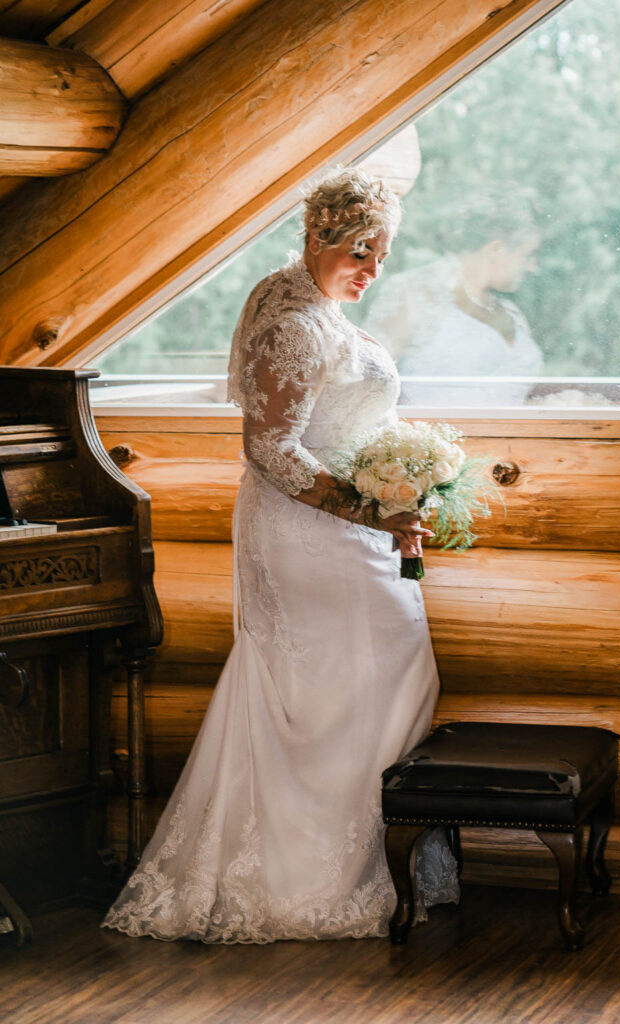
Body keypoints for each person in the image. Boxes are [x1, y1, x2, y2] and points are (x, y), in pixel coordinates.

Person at [102, 168, 458, 944]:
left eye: (383, 254)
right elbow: (269, 448)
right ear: (318, 239)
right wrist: (372, 506)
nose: (372, 269)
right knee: (327, 692)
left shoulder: (319, 306)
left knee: (380, 683)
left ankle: (367, 863)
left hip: (354, 528)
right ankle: (301, 880)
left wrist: (399, 486)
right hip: (308, 536)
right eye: (361, 252)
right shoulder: (289, 320)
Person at [366, 190, 543, 406]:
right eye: (527, 254)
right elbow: (369, 382)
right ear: (495, 249)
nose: (533, 266)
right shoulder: (415, 293)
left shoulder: (507, 310)